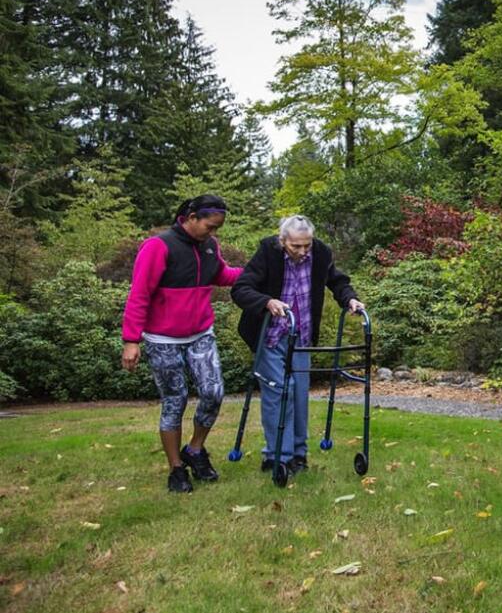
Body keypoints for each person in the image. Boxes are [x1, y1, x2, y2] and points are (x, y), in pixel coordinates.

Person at [121, 194, 244, 493]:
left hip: (200, 334)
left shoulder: (210, 246)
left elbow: (223, 276)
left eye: (218, 228)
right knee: (174, 401)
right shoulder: (158, 247)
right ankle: (177, 469)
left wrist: (259, 273)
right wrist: (131, 340)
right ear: (191, 218)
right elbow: (139, 295)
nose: (213, 233)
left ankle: (195, 450)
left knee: (213, 392)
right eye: (210, 226)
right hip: (163, 339)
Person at [231, 215, 364, 477]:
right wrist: (267, 301)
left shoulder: (321, 253)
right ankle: (276, 456)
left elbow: (337, 281)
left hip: (301, 336)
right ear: (283, 242)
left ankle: (299, 455)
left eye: (307, 245)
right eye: (295, 247)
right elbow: (241, 289)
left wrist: (351, 300)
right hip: (268, 335)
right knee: (280, 392)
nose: (302, 252)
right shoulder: (268, 252)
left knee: (300, 393)